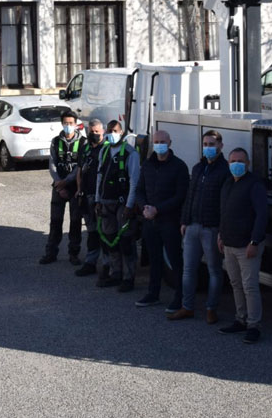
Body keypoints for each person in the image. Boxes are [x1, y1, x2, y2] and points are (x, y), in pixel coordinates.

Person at [169, 129, 227, 324]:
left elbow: (225, 204)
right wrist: (184, 221)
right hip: (193, 226)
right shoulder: (197, 168)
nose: (208, 148)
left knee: (214, 270)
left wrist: (221, 231)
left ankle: (211, 309)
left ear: (220, 146)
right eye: (205, 145)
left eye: (212, 145)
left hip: (212, 228)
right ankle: (187, 307)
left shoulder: (225, 171)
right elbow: (190, 196)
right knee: (189, 269)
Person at [133, 129, 189, 311]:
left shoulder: (179, 166)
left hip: (170, 221)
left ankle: (180, 297)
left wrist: (158, 209)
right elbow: (139, 190)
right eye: (156, 142)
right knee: (154, 259)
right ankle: (153, 293)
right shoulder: (148, 165)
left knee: (175, 260)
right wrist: (145, 208)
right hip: (150, 220)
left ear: (170, 143)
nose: (159, 145)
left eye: (163, 142)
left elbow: (180, 195)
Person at [217, 147, 268, 344]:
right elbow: (224, 211)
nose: (236, 164)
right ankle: (241, 319)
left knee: (249, 286)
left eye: (240, 161)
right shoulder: (228, 183)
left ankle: (254, 325)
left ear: (247, 164)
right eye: (232, 161)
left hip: (247, 246)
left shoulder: (255, 185)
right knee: (236, 284)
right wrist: (221, 235)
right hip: (229, 244)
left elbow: (261, 215)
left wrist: (254, 241)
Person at [94, 119, 140, 292]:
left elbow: (134, 181)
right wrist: (98, 200)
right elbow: (99, 177)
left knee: (126, 241)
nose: (111, 134)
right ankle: (116, 273)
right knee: (110, 239)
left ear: (121, 132)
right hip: (106, 204)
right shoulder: (104, 151)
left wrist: (129, 206)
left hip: (122, 205)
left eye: (114, 130)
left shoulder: (131, 154)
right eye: (109, 130)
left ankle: (129, 277)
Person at [40, 111, 84, 265]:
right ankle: (51, 253)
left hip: (75, 187)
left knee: (75, 221)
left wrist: (67, 181)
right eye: (65, 123)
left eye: (71, 123)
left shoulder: (83, 142)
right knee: (55, 221)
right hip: (59, 187)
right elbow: (52, 163)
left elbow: (80, 166)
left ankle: (74, 253)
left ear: (76, 123)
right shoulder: (55, 141)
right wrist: (59, 183)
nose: (68, 126)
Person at [73, 119, 107, 278]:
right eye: (91, 132)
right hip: (86, 196)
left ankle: (108, 266)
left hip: (102, 198)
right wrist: (79, 190)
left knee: (106, 233)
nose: (93, 135)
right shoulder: (85, 148)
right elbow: (80, 170)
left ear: (103, 132)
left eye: (96, 132)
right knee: (92, 232)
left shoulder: (107, 149)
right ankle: (91, 263)